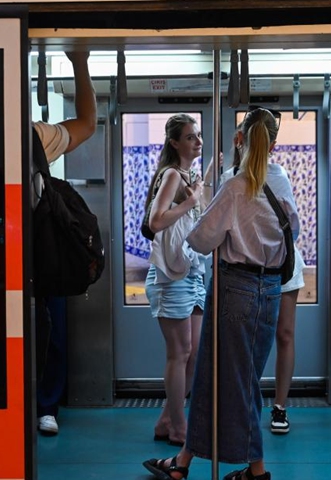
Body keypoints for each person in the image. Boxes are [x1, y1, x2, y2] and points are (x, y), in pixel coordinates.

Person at [143, 107, 299, 480]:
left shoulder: (234, 185)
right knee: (215, 377)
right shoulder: (282, 181)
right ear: (274, 144)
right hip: (271, 288)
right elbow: (291, 227)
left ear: (239, 139)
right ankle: (184, 460)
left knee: (235, 380)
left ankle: (257, 470)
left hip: (235, 289)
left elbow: (199, 240)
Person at [220, 109, 305, 435]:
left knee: (284, 334)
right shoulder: (233, 178)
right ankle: (246, 403)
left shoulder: (278, 175)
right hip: (249, 269)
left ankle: (280, 406)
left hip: (282, 264)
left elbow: (292, 230)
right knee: (250, 341)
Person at [32, 49, 97, 435]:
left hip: (8, 250)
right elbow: (88, 124)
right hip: (42, 251)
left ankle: (39, 403)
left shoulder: (30, 135)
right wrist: (79, 62)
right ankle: (45, 405)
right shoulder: (36, 135)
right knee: (49, 327)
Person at [144, 114, 209, 447]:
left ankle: (167, 418)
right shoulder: (171, 174)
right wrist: (190, 202)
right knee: (179, 353)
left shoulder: (190, 175)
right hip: (170, 277)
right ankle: (180, 429)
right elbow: (155, 221)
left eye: (197, 136)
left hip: (191, 272)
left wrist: (197, 196)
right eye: (189, 137)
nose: (197, 141)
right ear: (174, 143)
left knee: (193, 352)